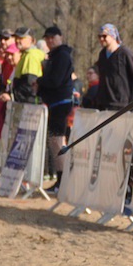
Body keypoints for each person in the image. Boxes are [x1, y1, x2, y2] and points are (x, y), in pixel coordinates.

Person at [37, 25, 74, 192]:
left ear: (60, 38)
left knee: (58, 142)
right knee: (54, 142)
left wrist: (39, 81)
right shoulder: (54, 56)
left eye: (53, 37)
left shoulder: (62, 56)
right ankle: (60, 179)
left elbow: (55, 81)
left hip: (61, 103)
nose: (50, 40)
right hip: (55, 102)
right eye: (47, 38)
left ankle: (63, 180)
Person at [92, 24, 133, 111]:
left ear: (113, 36)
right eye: (99, 36)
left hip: (122, 104)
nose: (101, 39)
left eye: (104, 36)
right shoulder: (102, 55)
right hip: (104, 104)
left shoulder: (125, 54)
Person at [3, 27, 44, 104]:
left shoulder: (31, 55)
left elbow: (29, 84)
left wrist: (13, 96)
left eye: (21, 38)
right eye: (16, 38)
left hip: (29, 104)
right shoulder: (25, 55)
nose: (17, 41)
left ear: (32, 40)